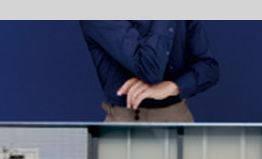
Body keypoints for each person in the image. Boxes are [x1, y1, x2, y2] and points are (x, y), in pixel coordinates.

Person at [80, 20, 219, 122]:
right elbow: (150, 70)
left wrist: (172, 86)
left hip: (178, 119)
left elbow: (209, 68)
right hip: (127, 125)